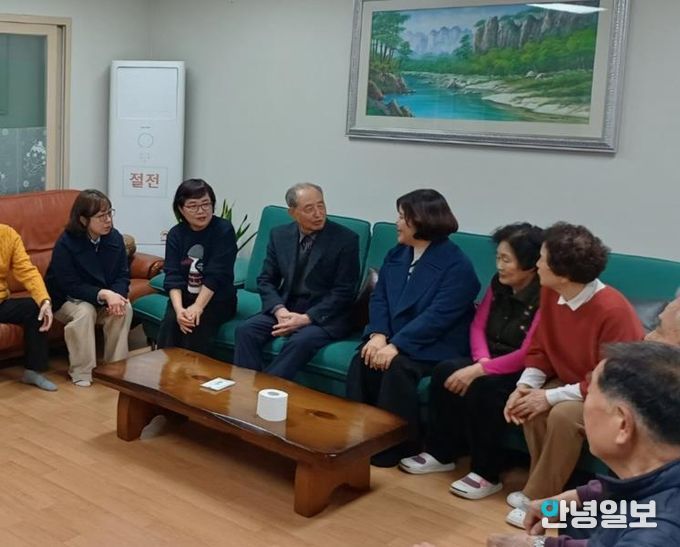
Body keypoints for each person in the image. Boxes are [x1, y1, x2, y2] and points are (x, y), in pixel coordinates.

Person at [502, 222, 644, 528]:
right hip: (572, 383)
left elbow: (613, 378)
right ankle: (544, 487)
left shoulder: (613, 310)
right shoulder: (551, 292)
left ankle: (538, 498)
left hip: (610, 394)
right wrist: (525, 386)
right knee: (529, 406)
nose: (537, 264)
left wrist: (549, 397)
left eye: (542, 259)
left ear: (563, 274)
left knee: (563, 415)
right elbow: (540, 346)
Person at [400, 223, 544, 500]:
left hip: (523, 368)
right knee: (445, 371)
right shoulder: (498, 283)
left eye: (506, 259)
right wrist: (481, 361)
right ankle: (441, 453)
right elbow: (478, 325)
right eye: (498, 257)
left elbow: (529, 351)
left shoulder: (545, 294)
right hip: (487, 356)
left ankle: (487, 474)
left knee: (486, 389)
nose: (499, 265)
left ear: (529, 265)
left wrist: (481, 370)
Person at [487, 341, 680, 547]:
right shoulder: (659, 475)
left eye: (589, 396)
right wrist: (564, 504)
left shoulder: (654, 535)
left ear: (623, 424)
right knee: (579, 512)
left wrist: (535, 544)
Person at [346, 189, 480, 467]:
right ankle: (358, 435)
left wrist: (397, 345)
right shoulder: (398, 254)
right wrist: (378, 335)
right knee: (363, 358)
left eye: (401, 217)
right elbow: (380, 297)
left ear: (421, 220)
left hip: (437, 343)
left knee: (397, 367)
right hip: (395, 335)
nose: (396, 223)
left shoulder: (457, 265)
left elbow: (437, 318)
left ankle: (398, 445)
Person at [234, 182, 360, 379]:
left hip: (325, 314)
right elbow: (266, 280)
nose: (318, 214)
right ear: (292, 213)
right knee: (246, 331)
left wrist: (307, 318)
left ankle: (266, 389)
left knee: (300, 341)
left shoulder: (345, 239)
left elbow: (344, 291)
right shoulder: (280, 235)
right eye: (309, 209)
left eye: (321, 206)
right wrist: (279, 310)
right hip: (287, 306)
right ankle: (244, 388)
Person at [46, 189, 132, 387]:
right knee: (84, 312)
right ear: (84, 220)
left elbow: (122, 275)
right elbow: (69, 284)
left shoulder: (115, 238)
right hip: (66, 298)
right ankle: (82, 371)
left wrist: (116, 296)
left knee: (124, 308)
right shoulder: (66, 243)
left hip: (101, 298)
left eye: (109, 213)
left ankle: (116, 368)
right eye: (101, 216)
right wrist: (104, 294)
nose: (108, 220)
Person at [157, 179, 237, 355]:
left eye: (206, 204)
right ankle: (164, 372)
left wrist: (198, 307)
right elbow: (172, 276)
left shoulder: (223, 230)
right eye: (193, 206)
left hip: (216, 300)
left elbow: (216, 275)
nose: (201, 211)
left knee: (194, 327)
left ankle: (192, 373)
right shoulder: (176, 234)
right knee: (170, 325)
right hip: (184, 298)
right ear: (181, 209)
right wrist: (179, 310)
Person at [0, 224, 55, 390]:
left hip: (1, 302)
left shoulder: (8, 235)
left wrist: (44, 301)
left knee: (35, 309)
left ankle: (33, 371)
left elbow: (27, 271)